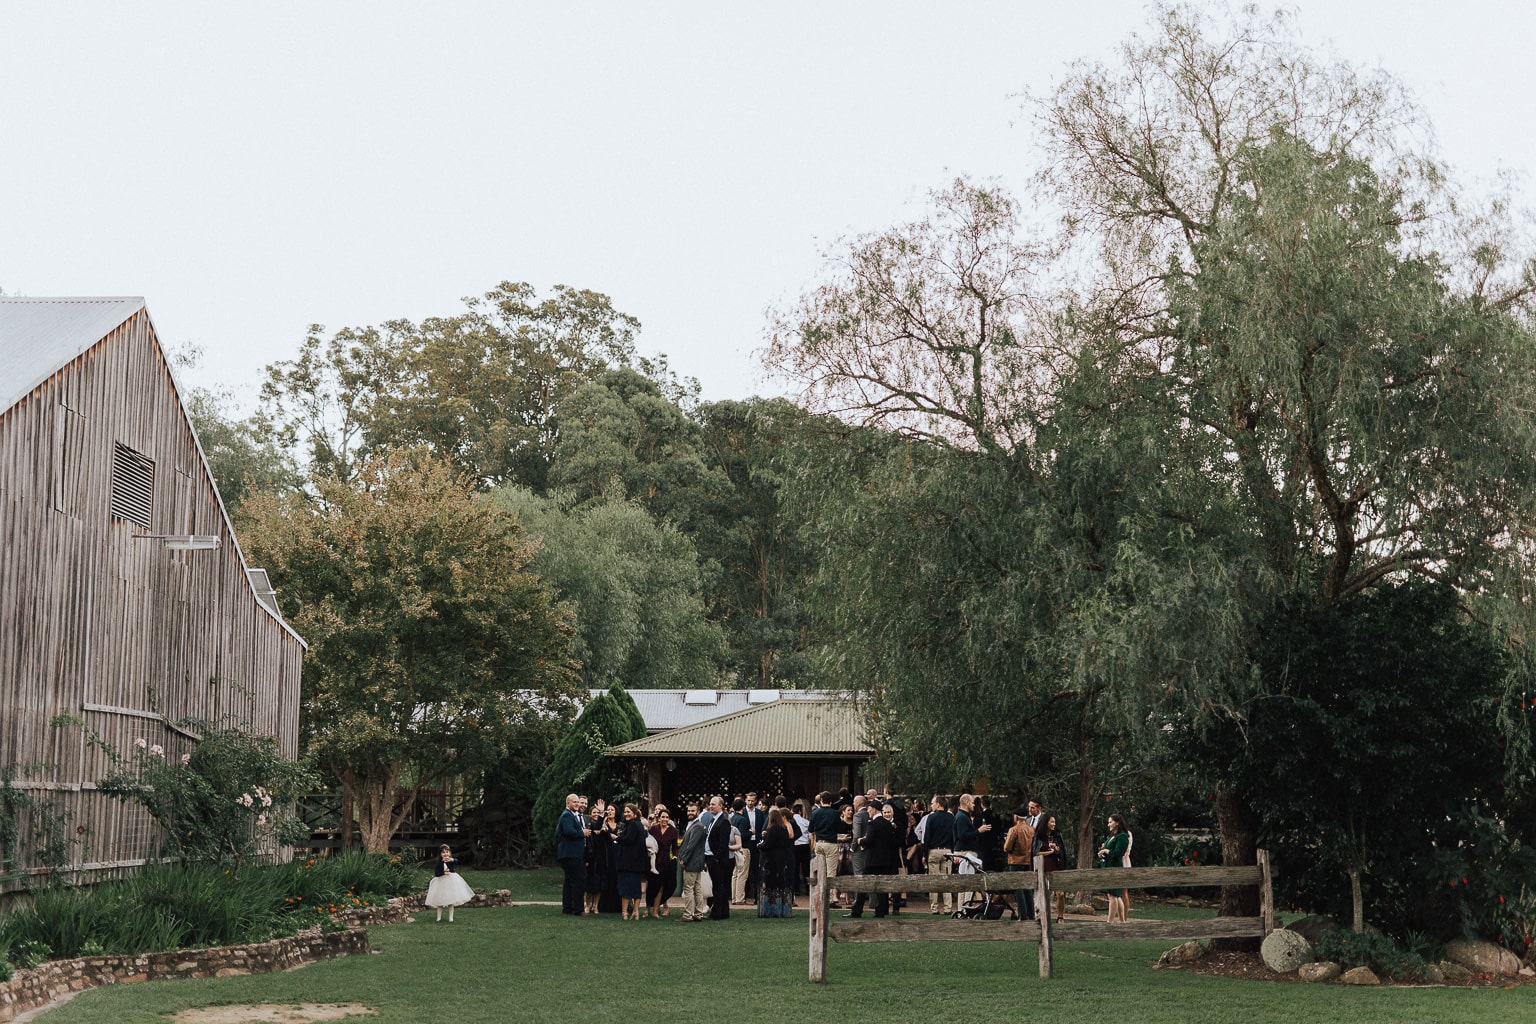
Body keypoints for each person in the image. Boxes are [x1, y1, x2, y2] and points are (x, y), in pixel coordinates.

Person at [849, 802, 900, 918]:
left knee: (863, 885)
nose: (868, 811)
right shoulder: (888, 824)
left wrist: (860, 841)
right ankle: (881, 910)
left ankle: (857, 910)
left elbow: (869, 840)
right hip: (885, 860)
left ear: (874, 809)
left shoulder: (872, 824)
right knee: (882, 887)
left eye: (869, 809)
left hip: (872, 860)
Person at [555, 793, 591, 916]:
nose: (577, 804)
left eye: (577, 802)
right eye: (574, 802)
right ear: (568, 803)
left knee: (569, 881)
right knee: (579, 880)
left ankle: (568, 907)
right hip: (570, 854)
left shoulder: (571, 815)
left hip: (570, 854)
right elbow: (568, 831)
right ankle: (578, 909)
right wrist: (582, 833)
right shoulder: (567, 815)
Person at [920, 795, 955, 914]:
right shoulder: (951, 818)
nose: (931, 805)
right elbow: (953, 835)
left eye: (932, 803)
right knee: (946, 880)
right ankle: (948, 907)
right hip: (947, 851)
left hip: (934, 851)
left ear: (938, 804)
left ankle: (934, 907)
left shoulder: (931, 817)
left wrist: (924, 854)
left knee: (934, 881)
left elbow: (927, 837)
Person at [757, 807, 795, 918]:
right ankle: (782, 909)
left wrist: (760, 845)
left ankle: (770, 909)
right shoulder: (784, 828)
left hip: (771, 860)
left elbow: (769, 844)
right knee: (781, 883)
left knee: (770, 883)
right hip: (782, 858)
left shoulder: (773, 828)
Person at [615, 803, 649, 921]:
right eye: (625, 812)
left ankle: (625, 912)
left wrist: (616, 838)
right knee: (635, 888)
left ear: (634, 813)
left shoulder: (633, 824)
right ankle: (635, 911)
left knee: (626, 888)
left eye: (628, 812)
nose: (626, 814)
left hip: (628, 863)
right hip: (636, 863)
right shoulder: (639, 824)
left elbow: (629, 839)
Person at [1097, 812, 1132, 924]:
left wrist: (1106, 851)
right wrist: (1102, 852)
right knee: (1115, 895)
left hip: (1115, 868)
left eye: (1110, 822)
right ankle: (1122, 921)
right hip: (1108, 867)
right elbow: (1108, 849)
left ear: (1117, 823)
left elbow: (1118, 853)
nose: (1108, 824)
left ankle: (1109, 922)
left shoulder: (1122, 836)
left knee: (1113, 895)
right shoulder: (1112, 836)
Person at [705, 795, 737, 919]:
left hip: (718, 860)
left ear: (720, 806)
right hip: (711, 857)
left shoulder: (723, 821)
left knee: (719, 887)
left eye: (713, 804)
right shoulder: (712, 820)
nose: (711, 806)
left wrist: (716, 859)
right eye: (710, 804)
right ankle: (723, 912)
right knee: (718, 886)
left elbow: (723, 844)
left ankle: (717, 913)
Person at [425, 844, 476, 923]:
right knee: (439, 901)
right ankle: (438, 917)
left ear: (450, 853)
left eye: (447, 852)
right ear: (440, 854)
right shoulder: (439, 863)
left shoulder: (451, 861)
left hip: (451, 881)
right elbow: (437, 873)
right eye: (443, 852)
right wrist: (443, 873)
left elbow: (456, 861)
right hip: (441, 882)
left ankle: (451, 918)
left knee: (451, 901)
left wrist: (452, 860)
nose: (445, 854)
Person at [677, 804, 710, 922]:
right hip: (695, 862)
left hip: (692, 862)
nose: (690, 812)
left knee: (689, 889)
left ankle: (688, 914)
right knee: (697, 888)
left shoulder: (697, 826)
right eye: (688, 810)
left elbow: (691, 845)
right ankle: (698, 913)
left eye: (692, 811)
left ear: (698, 812)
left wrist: (684, 859)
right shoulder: (695, 825)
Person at [808, 791, 842, 902]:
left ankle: (820, 894)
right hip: (831, 843)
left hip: (819, 843)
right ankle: (831, 897)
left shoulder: (815, 813)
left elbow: (810, 829)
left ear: (821, 800)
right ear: (831, 801)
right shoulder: (835, 813)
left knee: (820, 870)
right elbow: (840, 828)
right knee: (831, 871)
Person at [1003, 805, 1037, 920]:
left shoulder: (1014, 830)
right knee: (1028, 889)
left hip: (1015, 861)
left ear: (1016, 817)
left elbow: (1007, 847)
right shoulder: (1032, 830)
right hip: (1028, 861)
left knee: (1018, 889)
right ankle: (1031, 914)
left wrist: (1006, 842)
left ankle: (1022, 915)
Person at [646, 805, 679, 918]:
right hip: (653, 858)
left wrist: (675, 856)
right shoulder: (653, 829)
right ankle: (647, 910)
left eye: (667, 817)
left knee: (660, 886)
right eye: (663, 817)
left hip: (665, 860)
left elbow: (675, 846)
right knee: (651, 885)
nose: (665, 819)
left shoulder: (673, 831)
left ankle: (655, 911)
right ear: (659, 818)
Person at [1033, 814, 1066, 923]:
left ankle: (1060, 917)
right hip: (1042, 866)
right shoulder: (1038, 836)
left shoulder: (1057, 835)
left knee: (1060, 894)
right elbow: (1035, 853)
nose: (1054, 824)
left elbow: (1061, 852)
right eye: (1052, 822)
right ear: (1045, 823)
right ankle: (1042, 917)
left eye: (1054, 822)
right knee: (1043, 894)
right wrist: (1048, 852)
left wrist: (1056, 849)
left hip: (1055, 866)